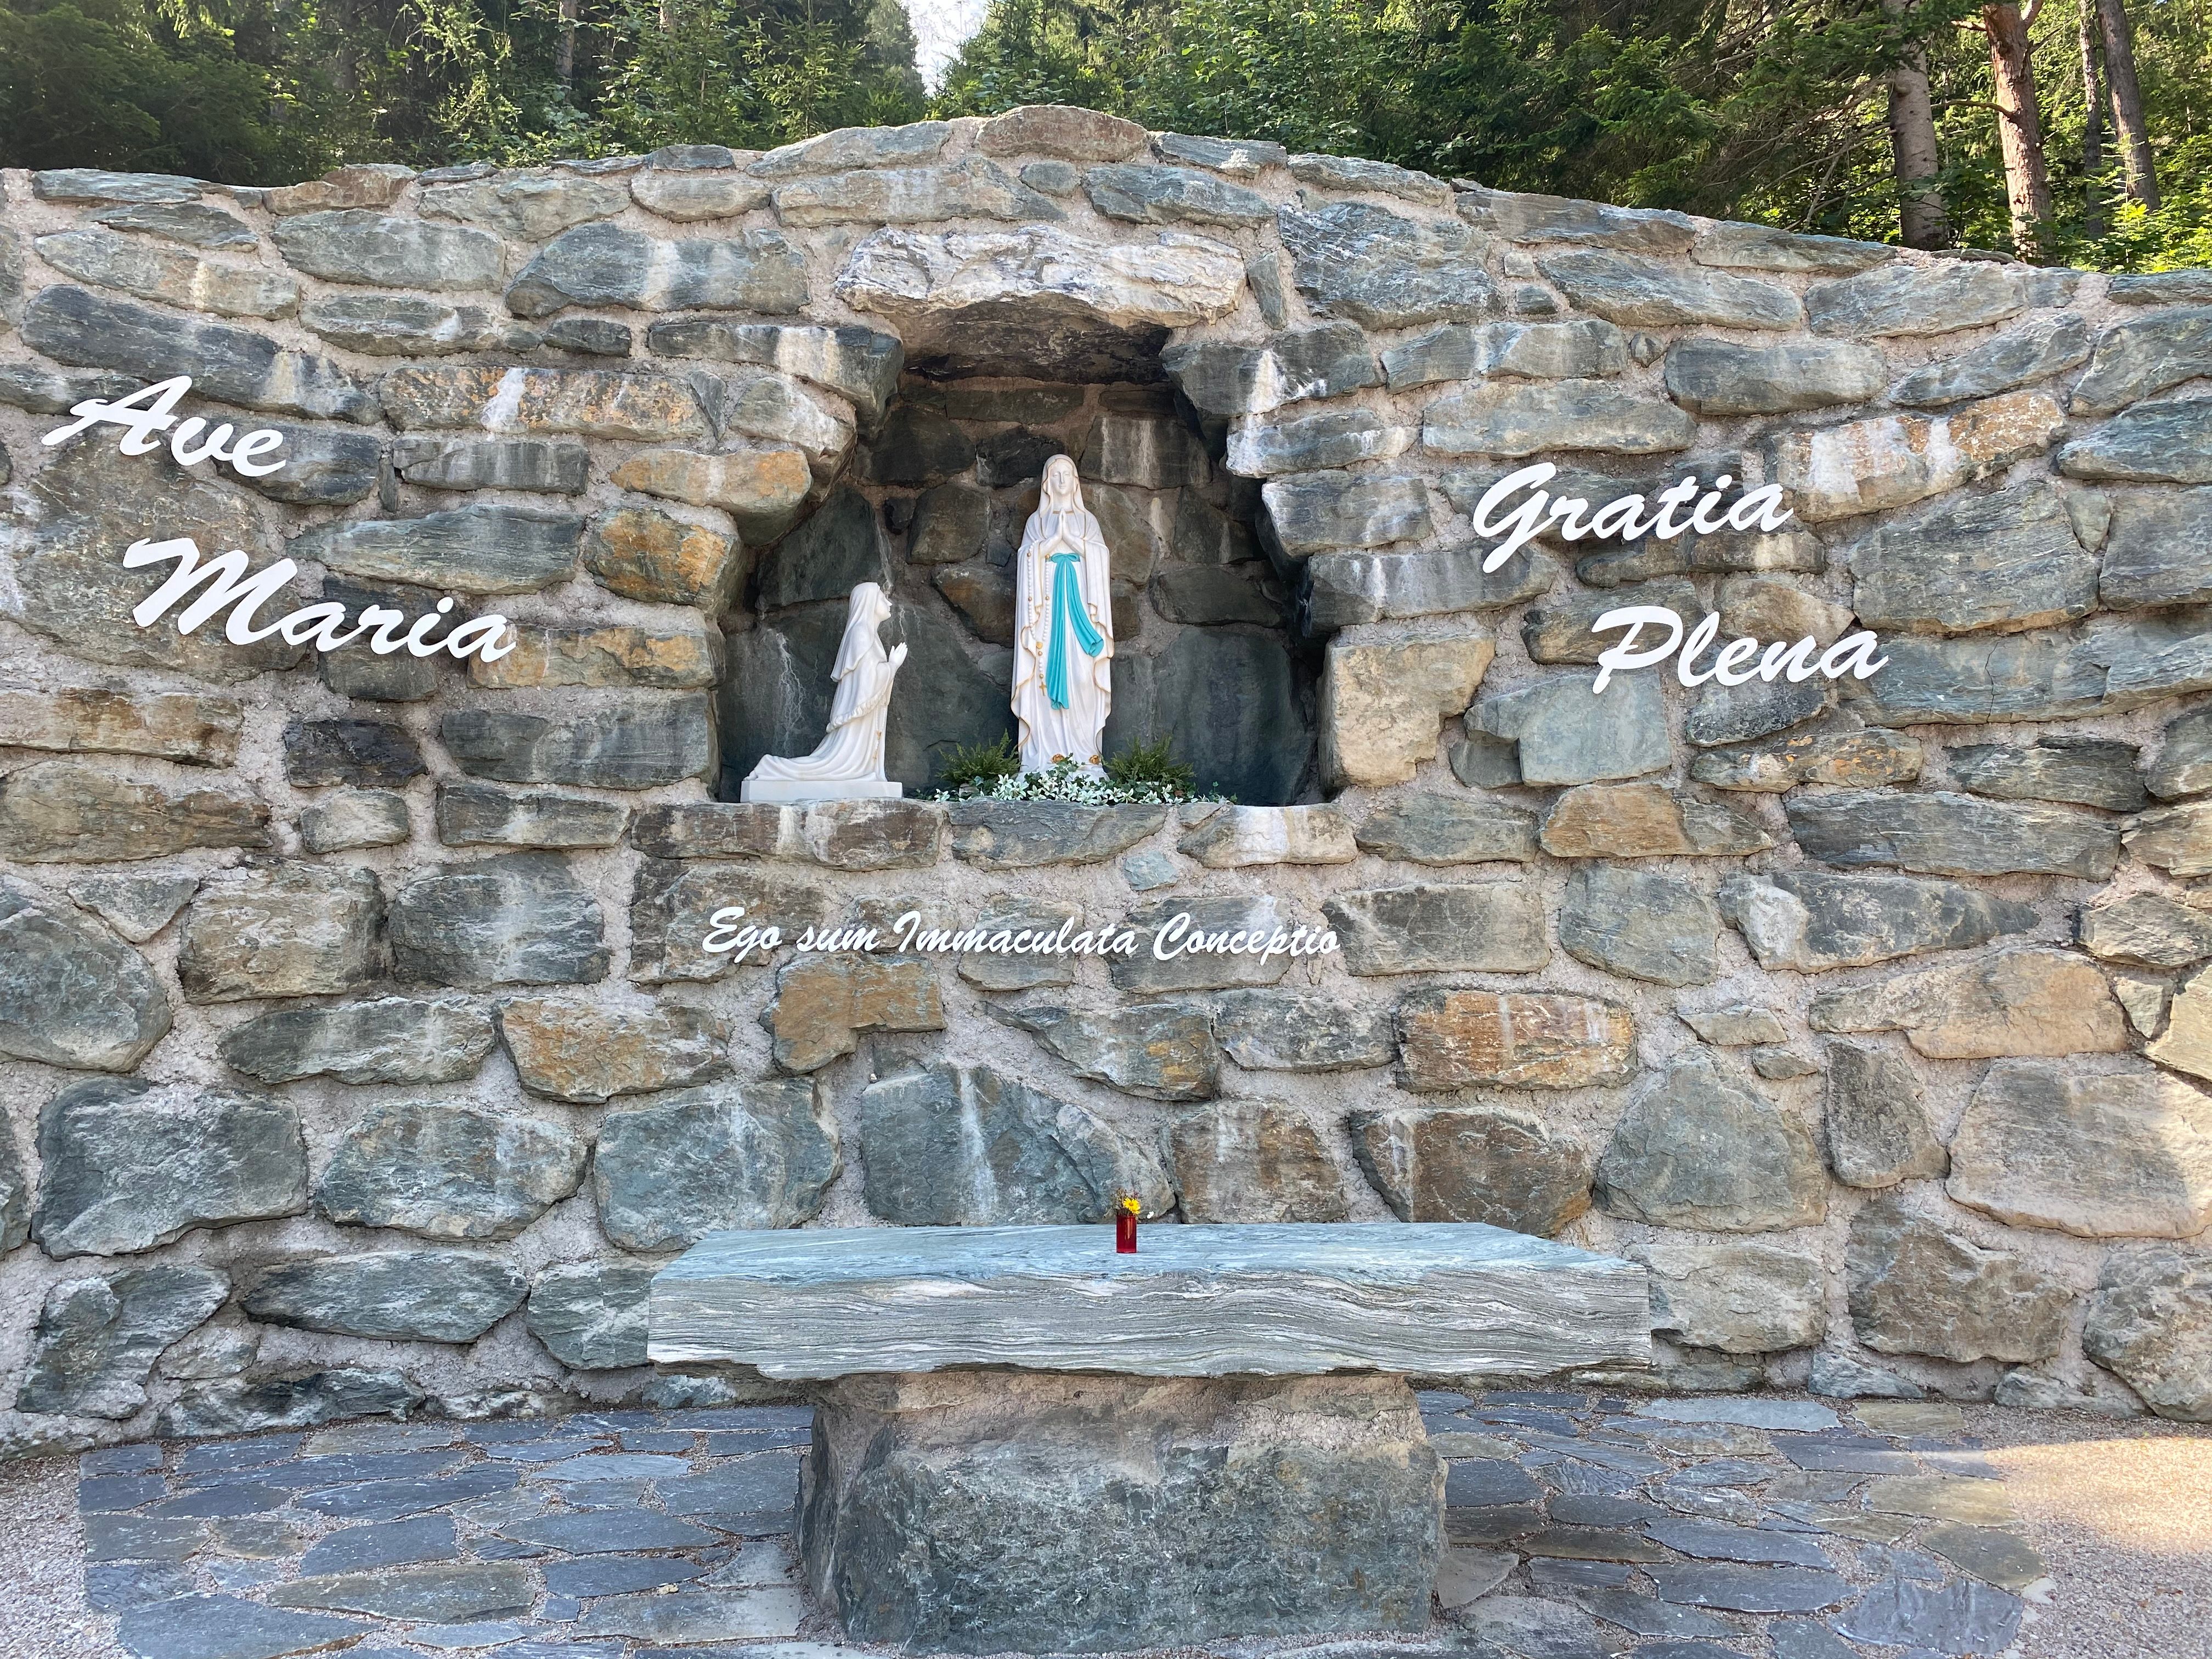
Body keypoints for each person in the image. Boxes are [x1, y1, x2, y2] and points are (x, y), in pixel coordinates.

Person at [742, 581, 906, 800]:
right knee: (832, 766)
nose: (889, 602)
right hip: (857, 724)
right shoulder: (861, 634)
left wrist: (890, 667)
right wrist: (893, 665)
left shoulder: (869, 635)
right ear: (868, 602)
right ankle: (773, 768)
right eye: (882, 597)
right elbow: (868, 682)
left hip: (864, 723)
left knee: (838, 767)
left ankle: (775, 770)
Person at [1011, 455, 1115, 773]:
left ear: (1075, 482)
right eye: (1055, 475)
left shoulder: (1087, 522)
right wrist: (1047, 546)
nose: (1060, 481)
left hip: (1080, 615)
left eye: (1066, 475)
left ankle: (1085, 755)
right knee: (1041, 679)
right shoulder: (1036, 523)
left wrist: (1072, 542)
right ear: (1046, 483)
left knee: (1083, 678)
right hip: (1045, 616)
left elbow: (1100, 558)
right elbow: (1025, 560)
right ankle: (1042, 756)